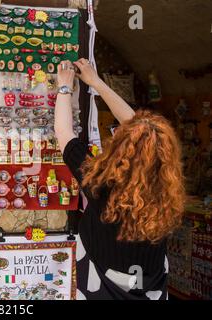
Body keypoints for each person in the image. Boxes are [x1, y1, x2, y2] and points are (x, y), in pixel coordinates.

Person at [55, 59, 185, 300]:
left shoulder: (102, 184)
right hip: (150, 290)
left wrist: (64, 86)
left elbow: (65, 135)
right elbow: (140, 131)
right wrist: (95, 82)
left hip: (102, 287)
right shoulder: (168, 195)